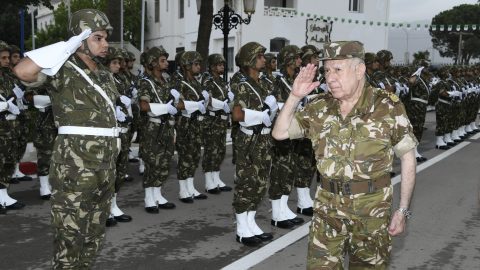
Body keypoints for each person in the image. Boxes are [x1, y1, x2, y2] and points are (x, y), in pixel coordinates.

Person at [272, 41, 417, 269]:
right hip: (327, 209)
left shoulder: (387, 106)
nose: (330, 77)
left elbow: (408, 157)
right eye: (327, 70)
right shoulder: (319, 106)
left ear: (360, 70)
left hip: (372, 210)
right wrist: (294, 96)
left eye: (338, 69)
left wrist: (403, 210)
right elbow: (279, 133)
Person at [14, 9, 120, 269]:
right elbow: (23, 71)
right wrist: (67, 45)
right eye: (97, 38)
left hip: (105, 166)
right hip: (75, 165)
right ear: (81, 38)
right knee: (69, 238)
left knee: (93, 236)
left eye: (105, 38)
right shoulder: (61, 68)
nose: (105, 44)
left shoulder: (105, 75)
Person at [232, 42, 275, 246]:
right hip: (249, 139)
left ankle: (251, 222)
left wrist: (271, 113)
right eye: (260, 56)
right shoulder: (241, 84)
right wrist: (262, 115)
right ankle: (241, 227)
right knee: (246, 182)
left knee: (260, 183)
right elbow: (237, 115)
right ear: (249, 60)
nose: (264, 60)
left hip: (265, 138)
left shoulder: (265, 83)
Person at [137, 46, 178, 212]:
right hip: (152, 128)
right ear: (153, 63)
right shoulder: (145, 82)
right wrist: (164, 108)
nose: (166, 63)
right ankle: (149, 198)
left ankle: (158, 194)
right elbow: (144, 106)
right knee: (152, 162)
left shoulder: (166, 81)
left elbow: (172, 104)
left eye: (166, 60)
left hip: (167, 127)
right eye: (162, 60)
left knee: (164, 162)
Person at [269, 45, 305, 228]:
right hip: (281, 133)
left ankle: (283, 209)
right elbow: (274, 105)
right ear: (289, 60)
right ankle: (276, 214)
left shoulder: (293, 79)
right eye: (297, 58)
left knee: (289, 171)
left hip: (293, 132)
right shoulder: (278, 80)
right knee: (279, 172)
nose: (300, 61)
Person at [173, 51, 208, 203]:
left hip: (196, 125)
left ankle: (191, 187)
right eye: (195, 64)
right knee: (185, 157)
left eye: (199, 64)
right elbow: (177, 104)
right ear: (187, 66)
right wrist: (195, 105)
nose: (198, 66)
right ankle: (183, 190)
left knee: (194, 157)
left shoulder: (195, 82)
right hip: (185, 125)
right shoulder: (179, 83)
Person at [105, 47, 133, 226]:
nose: (118, 65)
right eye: (114, 62)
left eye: (118, 62)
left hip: (123, 130)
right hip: (108, 131)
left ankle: (113, 204)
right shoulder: (101, 80)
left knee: (120, 170)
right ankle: (105, 208)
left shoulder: (119, 79)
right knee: (108, 170)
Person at [0, 41, 26, 213]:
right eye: (3, 58)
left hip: (11, 125)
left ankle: (3, 194)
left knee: (8, 160)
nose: (7, 60)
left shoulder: (9, 75)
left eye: (8, 57)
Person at [201, 53, 233, 194]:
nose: (222, 67)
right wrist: (222, 104)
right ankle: (209, 181)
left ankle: (216, 178)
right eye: (219, 65)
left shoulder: (221, 81)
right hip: (211, 121)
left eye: (222, 65)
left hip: (221, 121)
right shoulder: (207, 80)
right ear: (213, 66)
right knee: (211, 151)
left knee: (220, 151)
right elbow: (207, 100)